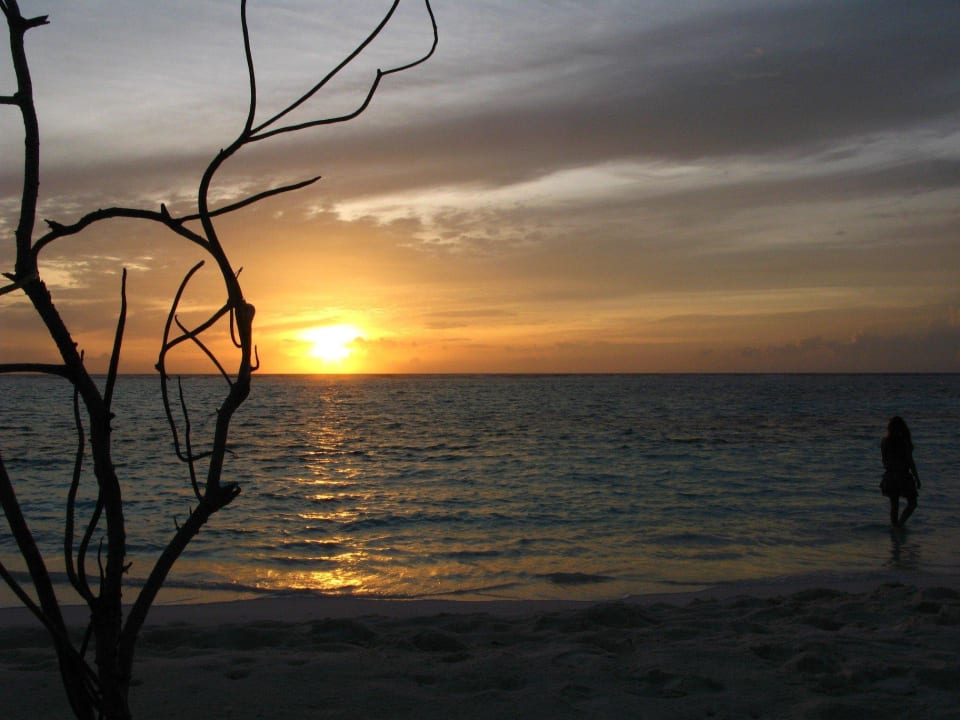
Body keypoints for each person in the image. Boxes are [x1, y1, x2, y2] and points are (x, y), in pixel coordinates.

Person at [880, 416, 920, 527]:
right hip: (902, 475)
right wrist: (917, 478)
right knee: (912, 503)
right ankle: (900, 524)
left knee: (894, 505)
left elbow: (884, 460)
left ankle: (895, 529)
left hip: (890, 476)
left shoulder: (884, 442)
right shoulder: (904, 442)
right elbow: (910, 462)